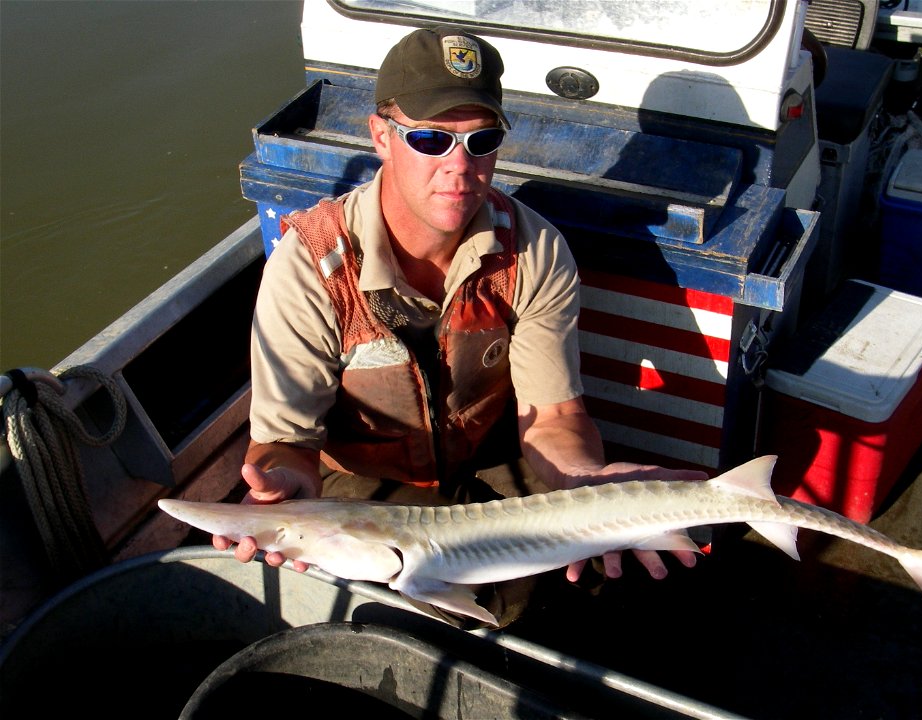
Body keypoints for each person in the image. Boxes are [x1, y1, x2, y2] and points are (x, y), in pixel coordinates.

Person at [214, 25, 706, 626]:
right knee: (406, 620)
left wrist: (585, 482)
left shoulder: (533, 249)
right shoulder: (311, 267)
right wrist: (282, 488)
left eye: (482, 141)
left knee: (596, 574)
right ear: (381, 138)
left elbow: (553, 417)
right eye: (429, 139)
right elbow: (287, 442)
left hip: (488, 459)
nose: (459, 167)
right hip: (369, 488)